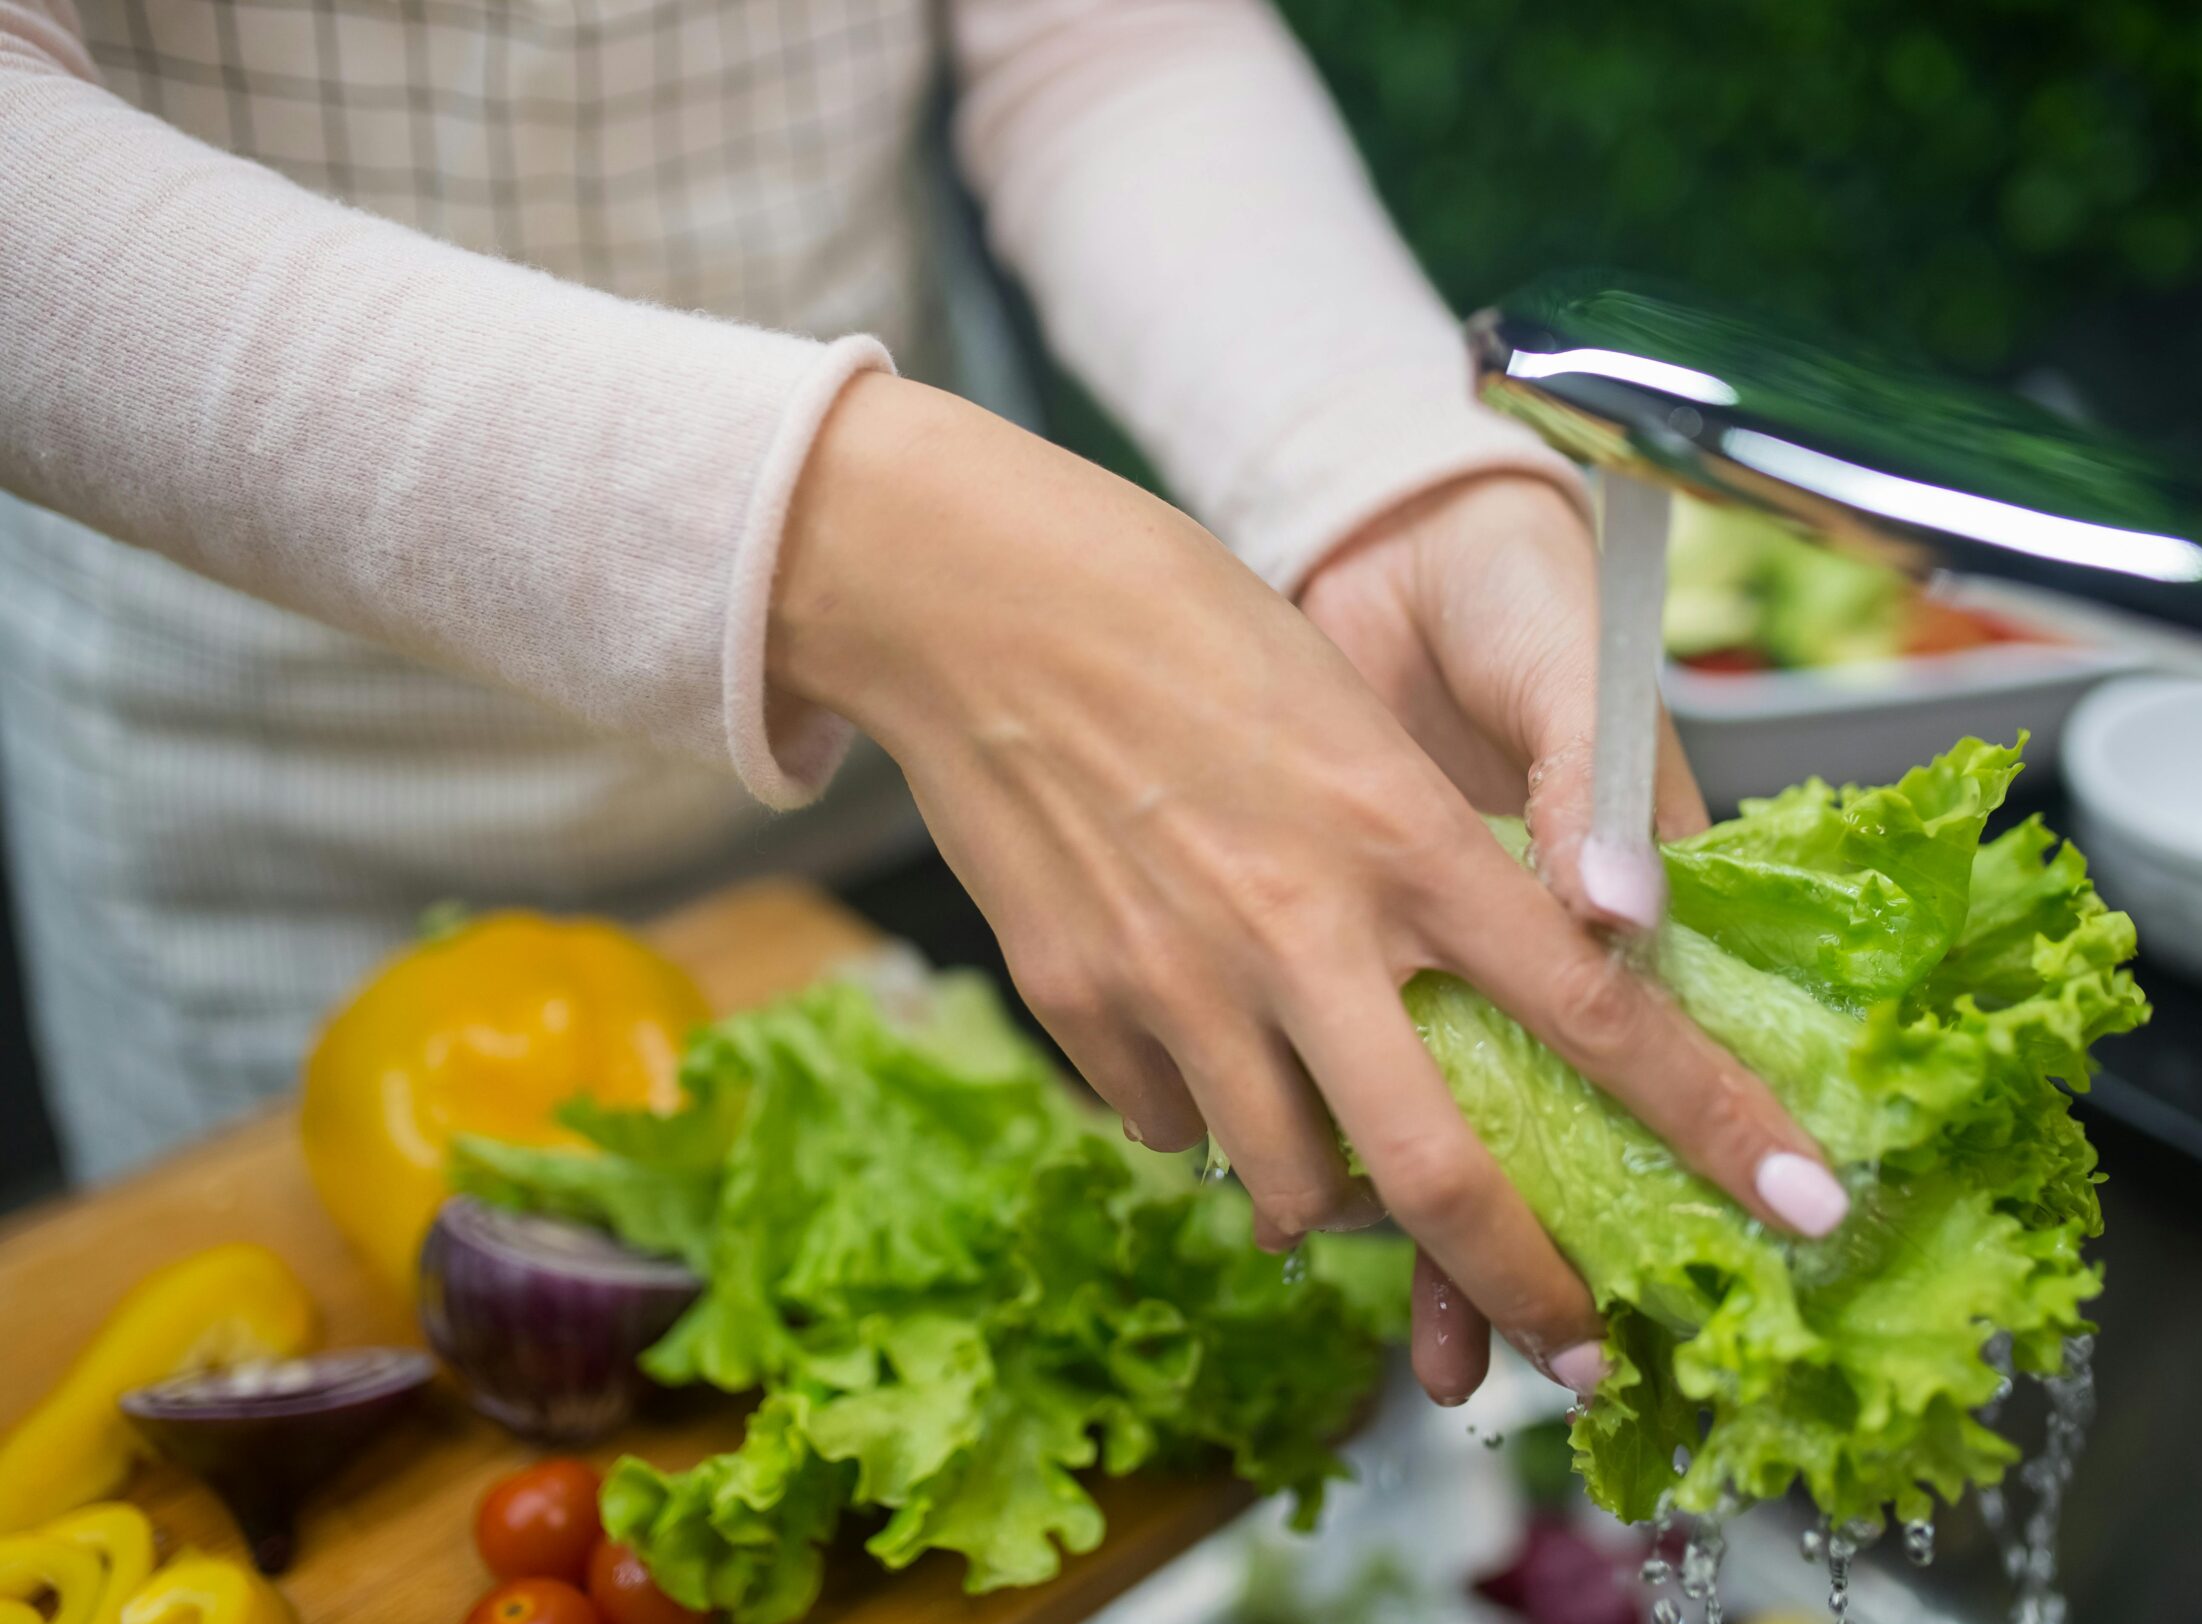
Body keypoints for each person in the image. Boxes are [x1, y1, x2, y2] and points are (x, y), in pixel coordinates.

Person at [0, 0, 1845, 1403]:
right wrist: (853, 548)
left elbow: (1096, 39)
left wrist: (1381, 468)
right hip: (286, 856)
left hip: (931, 806)